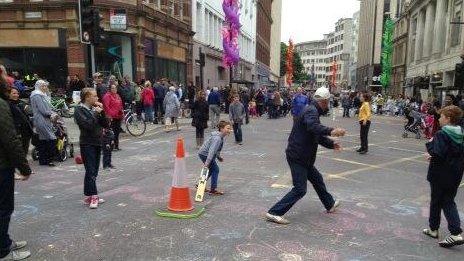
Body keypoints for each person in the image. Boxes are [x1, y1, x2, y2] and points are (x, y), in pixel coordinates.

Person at [266, 87, 346, 225]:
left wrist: (331, 144)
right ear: (324, 101)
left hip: (304, 157)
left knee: (317, 179)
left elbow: (316, 135)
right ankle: (274, 212)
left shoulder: (312, 110)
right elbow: (313, 127)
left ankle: (329, 204)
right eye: (328, 102)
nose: (329, 105)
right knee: (300, 189)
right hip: (298, 156)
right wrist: (332, 131)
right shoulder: (311, 111)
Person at [423, 105, 464, 248]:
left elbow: (438, 154)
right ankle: (433, 228)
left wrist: (430, 150)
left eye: (441, 117)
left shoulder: (442, 134)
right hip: (455, 173)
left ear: (448, 118)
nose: (439, 119)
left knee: (440, 201)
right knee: (447, 200)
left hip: (440, 173)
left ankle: (455, 233)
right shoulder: (461, 133)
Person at [0, 80, 32, 260]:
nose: (7, 79)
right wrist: (24, 167)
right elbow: (10, 139)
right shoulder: (2, 105)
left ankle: (4, 242)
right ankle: (3, 250)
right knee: (4, 208)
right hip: (2, 165)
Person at [74, 88, 109, 209]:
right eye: (94, 96)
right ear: (87, 97)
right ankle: (94, 196)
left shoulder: (95, 109)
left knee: (94, 170)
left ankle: (89, 195)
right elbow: (87, 125)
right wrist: (96, 113)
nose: (97, 98)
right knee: (90, 170)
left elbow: (105, 124)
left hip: (97, 142)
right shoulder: (79, 110)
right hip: (87, 143)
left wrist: (102, 111)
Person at [198, 120, 232, 195]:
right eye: (228, 128)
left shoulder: (220, 136)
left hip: (203, 153)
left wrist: (218, 157)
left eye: (230, 128)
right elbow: (211, 151)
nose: (229, 130)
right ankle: (213, 189)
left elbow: (216, 150)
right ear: (221, 129)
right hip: (205, 154)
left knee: (211, 169)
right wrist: (207, 163)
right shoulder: (217, 138)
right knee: (215, 169)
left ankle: (200, 185)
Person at [30, 80, 57, 166]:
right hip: (42, 119)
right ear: (38, 86)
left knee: (43, 139)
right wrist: (52, 114)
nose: (45, 88)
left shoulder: (41, 95)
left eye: (45, 86)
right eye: (43, 86)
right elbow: (43, 109)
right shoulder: (37, 95)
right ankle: (50, 159)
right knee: (51, 138)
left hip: (43, 119)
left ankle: (43, 159)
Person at [8, 88, 33, 155]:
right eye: (14, 93)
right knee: (17, 151)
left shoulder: (21, 103)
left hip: (25, 131)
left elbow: (30, 111)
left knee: (25, 149)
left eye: (17, 93)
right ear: (8, 94)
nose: (16, 95)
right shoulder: (8, 104)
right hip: (16, 132)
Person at [102, 84, 124, 151]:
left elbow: (120, 105)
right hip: (111, 117)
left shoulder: (117, 96)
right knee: (111, 132)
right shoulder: (107, 96)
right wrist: (109, 115)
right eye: (113, 88)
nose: (115, 89)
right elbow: (106, 107)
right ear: (110, 89)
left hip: (118, 116)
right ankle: (110, 146)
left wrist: (122, 112)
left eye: (115, 88)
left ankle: (116, 146)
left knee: (117, 132)